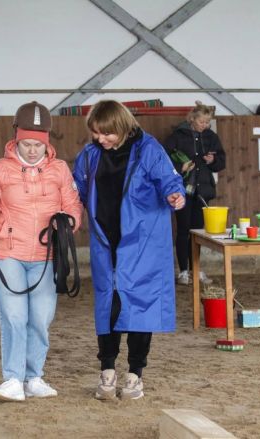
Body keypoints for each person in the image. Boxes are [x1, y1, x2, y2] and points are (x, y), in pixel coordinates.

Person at [0, 102, 82, 402]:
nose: (32, 150)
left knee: (41, 318)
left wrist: (66, 222)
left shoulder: (59, 170)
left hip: (46, 256)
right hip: (7, 253)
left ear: (47, 142)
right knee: (15, 316)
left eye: (37, 145)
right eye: (26, 144)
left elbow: (72, 207)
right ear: (16, 140)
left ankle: (34, 376)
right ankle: (13, 379)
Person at [72, 100, 185, 400]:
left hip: (142, 244)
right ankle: (107, 371)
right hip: (105, 243)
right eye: (96, 133)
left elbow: (170, 180)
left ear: (121, 128)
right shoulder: (89, 156)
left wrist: (175, 194)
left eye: (106, 134)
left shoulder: (149, 149)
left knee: (139, 308)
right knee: (108, 306)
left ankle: (135, 375)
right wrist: (65, 211)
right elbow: (75, 191)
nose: (100, 139)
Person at [164, 102, 226, 285]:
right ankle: (183, 271)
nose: (205, 125)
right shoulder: (177, 136)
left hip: (202, 191)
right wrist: (180, 167)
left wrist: (213, 160)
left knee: (198, 232)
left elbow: (221, 162)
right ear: (192, 119)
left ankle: (196, 269)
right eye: (202, 121)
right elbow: (163, 160)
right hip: (182, 190)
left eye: (207, 122)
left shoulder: (211, 137)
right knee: (183, 230)